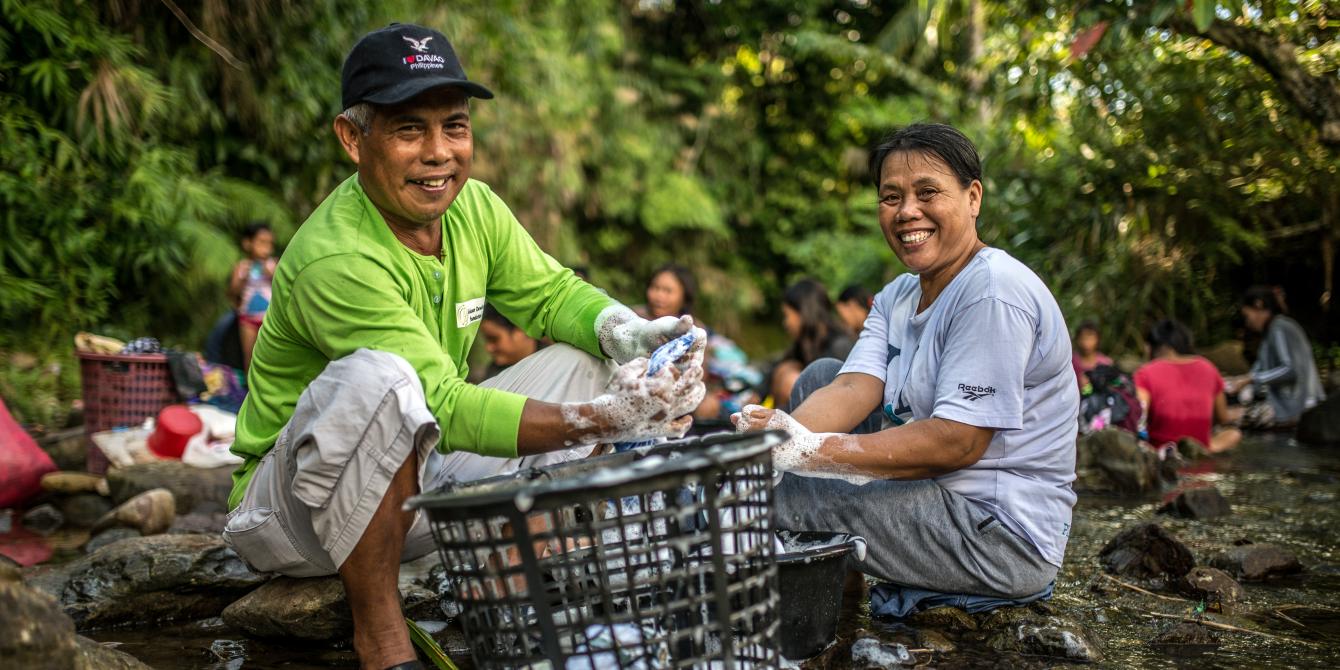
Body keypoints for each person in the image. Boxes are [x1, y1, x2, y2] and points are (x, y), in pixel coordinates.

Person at [222, 24, 705, 670]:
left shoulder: (472, 209)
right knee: (382, 380)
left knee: (595, 358)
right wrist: (593, 422)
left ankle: (523, 578)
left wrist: (633, 335)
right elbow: (440, 404)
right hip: (294, 513)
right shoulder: (334, 256)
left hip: (415, 483)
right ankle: (382, 638)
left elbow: (554, 296)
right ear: (351, 138)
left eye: (453, 126)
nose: (437, 152)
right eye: (407, 129)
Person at [735, 123, 1077, 611]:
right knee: (820, 376)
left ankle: (816, 568)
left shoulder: (993, 291)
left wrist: (806, 455)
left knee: (782, 498)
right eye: (890, 197)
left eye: (927, 192)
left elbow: (957, 441)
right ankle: (843, 580)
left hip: (999, 535)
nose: (906, 211)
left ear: (973, 197)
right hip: (935, 496)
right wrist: (775, 443)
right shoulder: (899, 293)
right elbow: (853, 386)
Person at [1133, 320, 1241, 453]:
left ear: (1150, 347)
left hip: (1161, 451)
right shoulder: (1208, 367)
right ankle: (1203, 450)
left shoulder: (1145, 373)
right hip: (1200, 450)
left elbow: (1139, 419)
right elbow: (1222, 417)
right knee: (1232, 433)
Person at [1226, 286, 1325, 427]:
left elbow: (1291, 370)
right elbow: (1257, 371)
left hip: (1301, 405)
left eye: (1247, 316)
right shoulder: (1271, 332)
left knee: (1230, 416)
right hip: (1291, 405)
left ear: (1259, 306)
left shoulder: (1279, 327)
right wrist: (1238, 381)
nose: (1248, 323)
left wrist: (1250, 379)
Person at [770, 279, 854, 409]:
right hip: (812, 406)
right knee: (786, 368)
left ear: (802, 313)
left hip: (833, 411)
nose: (785, 323)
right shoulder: (807, 342)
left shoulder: (839, 346)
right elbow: (778, 365)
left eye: (787, 315)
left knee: (789, 379)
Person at [228, 223, 277, 371]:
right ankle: (249, 390)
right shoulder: (242, 267)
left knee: (270, 356)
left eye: (269, 243)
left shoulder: (273, 265)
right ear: (248, 243)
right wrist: (243, 279)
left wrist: (272, 275)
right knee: (249, 358)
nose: (266, 248)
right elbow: (232, 293)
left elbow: (283, 287)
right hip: (247, 319)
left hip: (269, 318)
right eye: (262, 242)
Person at [477, 304, 542, 380]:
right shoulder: (493, 375)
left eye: (494, 339)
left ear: (521, 329)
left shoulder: (552, 364)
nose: (488, 348)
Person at [1070, 320, 1112, 390]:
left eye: (1090, 339)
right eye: (1083, 338)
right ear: (1078, 339)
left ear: (1097, 339)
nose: (1086, 343)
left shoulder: (1105, 363)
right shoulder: (1071, 362)